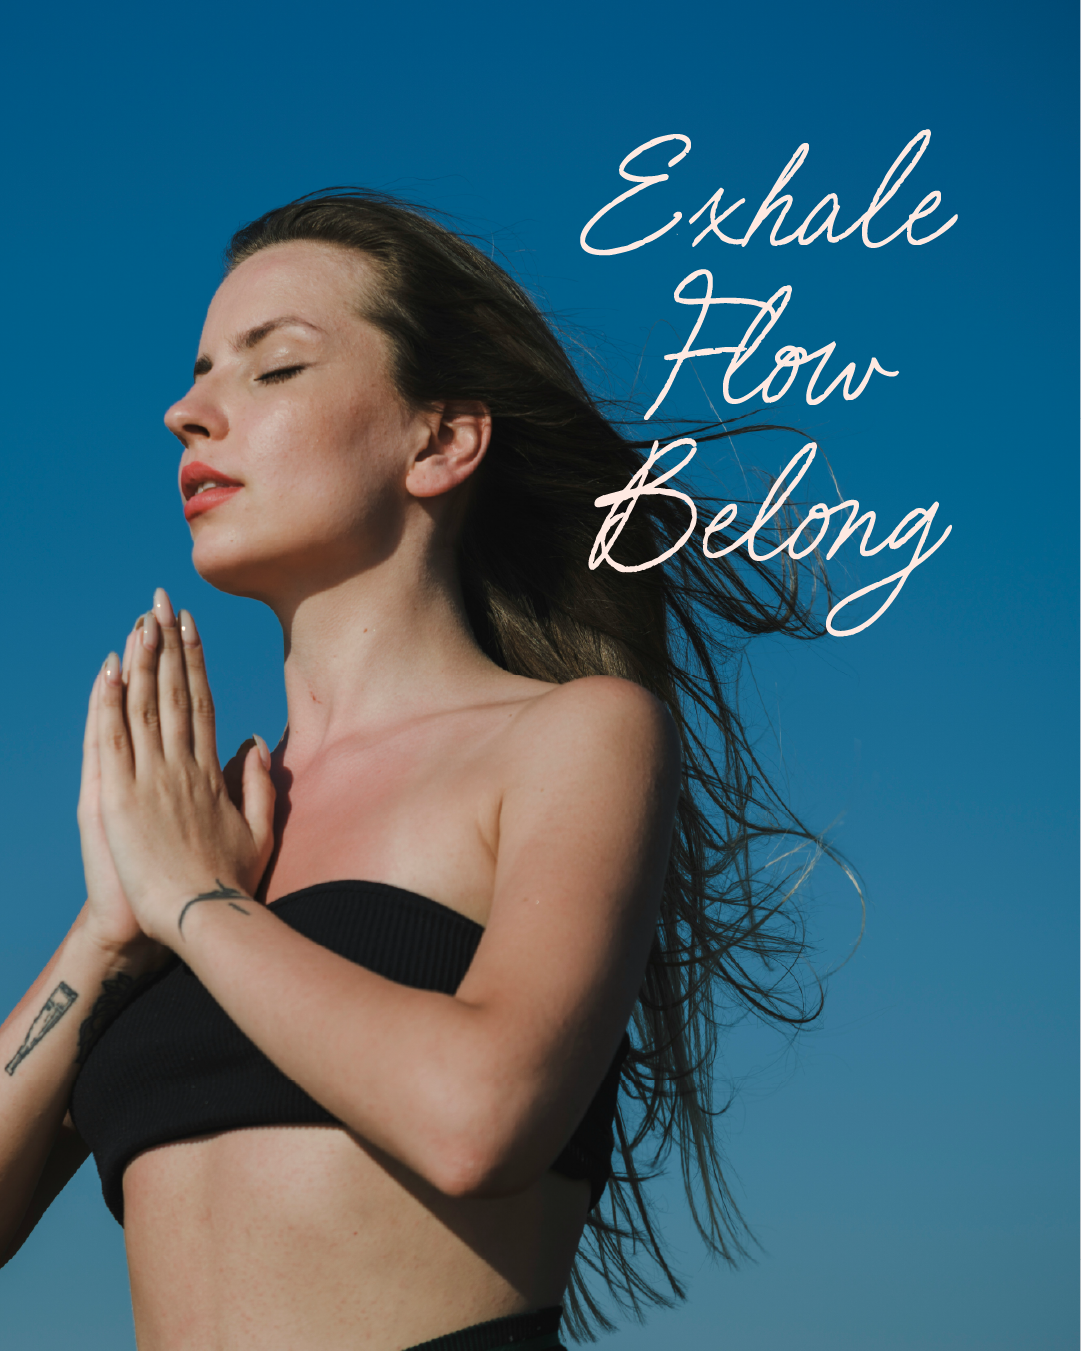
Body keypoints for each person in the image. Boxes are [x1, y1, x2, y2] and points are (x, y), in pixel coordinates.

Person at [0, 191, 830, 1351]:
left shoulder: (573, 735)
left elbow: (478, 1119)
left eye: (272, 368)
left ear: (441, 440)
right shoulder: (200, 829)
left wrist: (201, 906)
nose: (187, 413)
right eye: (195, 376)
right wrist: (115, 921)